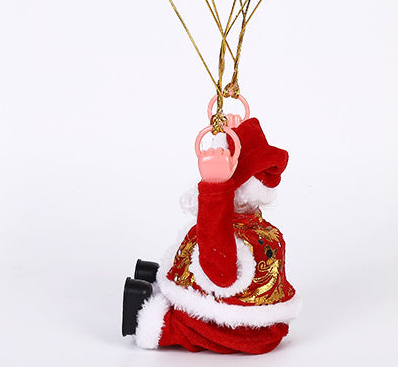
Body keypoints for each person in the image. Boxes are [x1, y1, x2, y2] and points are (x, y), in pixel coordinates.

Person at [122, 117, 300, 354]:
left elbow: (220, 273)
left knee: (177, 323)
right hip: (251, 316)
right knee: (187, 259)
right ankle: (164, 278)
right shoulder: (259, 226)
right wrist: (232, 132)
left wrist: (215, 187)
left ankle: (150, 322)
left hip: (234, 327)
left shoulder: (236, 236)